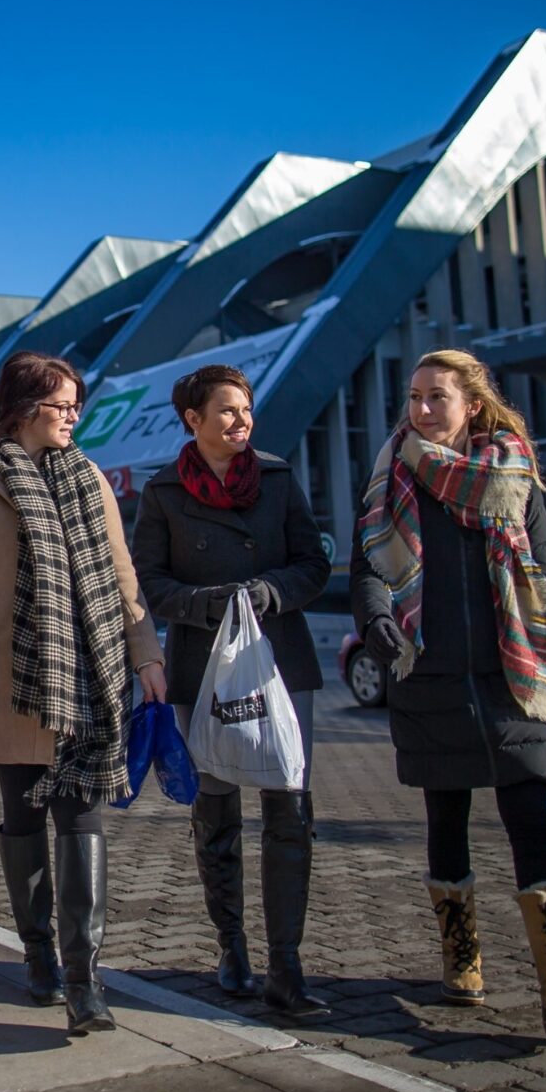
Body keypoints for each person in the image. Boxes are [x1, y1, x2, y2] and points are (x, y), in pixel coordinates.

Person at [351, 348, 546, 1040]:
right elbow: (373, 563)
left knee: (530, 823)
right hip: (429, 683)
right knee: (448, 825)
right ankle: (461, 959)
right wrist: (378, 619)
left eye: (436, 397)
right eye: (413, 397)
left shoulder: (514, 478)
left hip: (514, 682)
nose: (420, 411)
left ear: (473, 403)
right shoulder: (392, 473)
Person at [0, 351, 167, 1036]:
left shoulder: (90, 479)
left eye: (77, 406)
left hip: (88, 674)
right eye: (62, 406)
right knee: (24, 822)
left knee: (81, 821)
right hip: (13, 680)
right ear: (22, 408)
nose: (74, 418)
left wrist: (146, 655)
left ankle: (86, 982)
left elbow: (121, 574)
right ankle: (38, 955)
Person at [129, 365, 333, 1019]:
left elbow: (313, 563)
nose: (241, 421)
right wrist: (203, 604)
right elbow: (146, 583)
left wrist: (271, 591)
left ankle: (289, 967)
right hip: (200, 668)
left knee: (288, 811)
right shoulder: (162, 492)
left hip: (281, 661)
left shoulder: (276, 479)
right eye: (226, 411)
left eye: (246, 410)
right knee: (215, 812)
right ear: (193, 420)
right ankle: (232, 949)